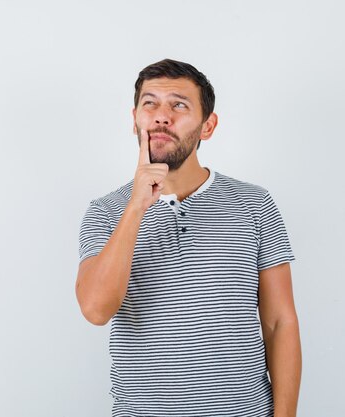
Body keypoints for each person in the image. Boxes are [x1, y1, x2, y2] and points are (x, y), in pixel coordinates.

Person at [75, 58, 301, 417]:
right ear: (135, 118)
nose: (162, 115)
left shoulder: (254, 203)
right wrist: (136, 206)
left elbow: (279, 321)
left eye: (178, 104)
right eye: (150, 103)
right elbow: (96, 309)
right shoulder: (106, 211)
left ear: (207, 126)